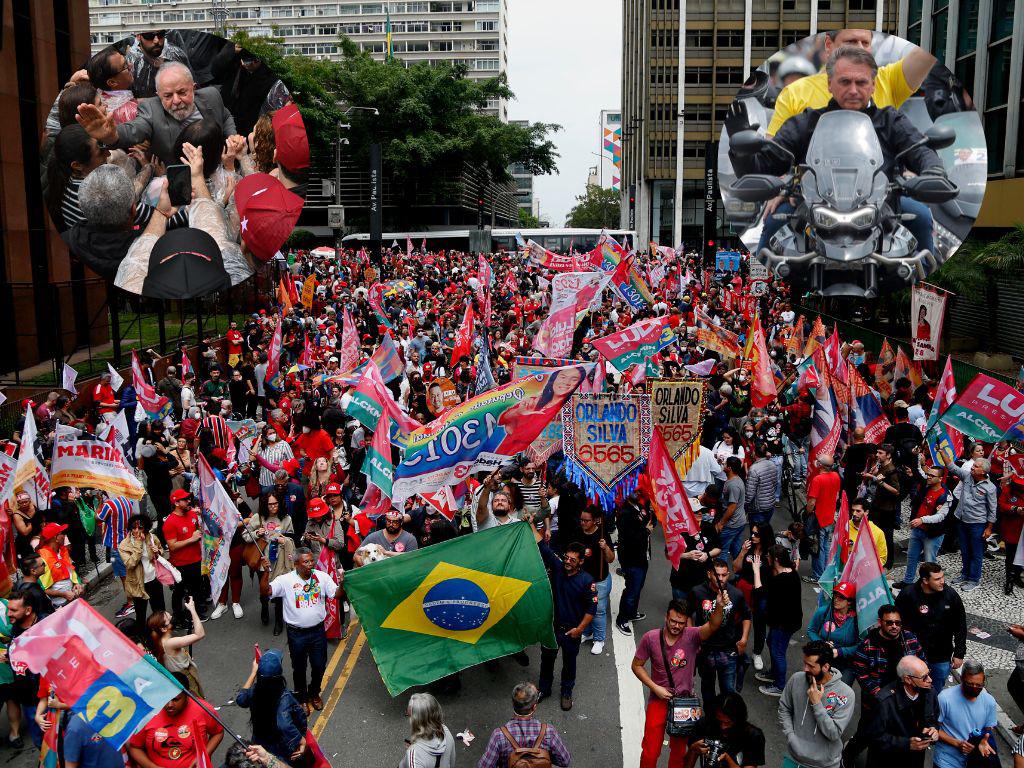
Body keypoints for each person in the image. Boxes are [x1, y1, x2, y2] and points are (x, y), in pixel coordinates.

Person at [729, 46, 945, 256]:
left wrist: (933, 170)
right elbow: (764, 164)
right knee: (773, 224)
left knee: (923, 217)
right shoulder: (806, 122)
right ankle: (762, 286)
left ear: (872, 85)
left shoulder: (891, 121)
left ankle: (925, 284)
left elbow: (920, 150)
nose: (853, 89)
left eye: (861, 82)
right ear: (830, 84)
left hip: (881, 213)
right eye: (845, 82)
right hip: (813, 214)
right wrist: (740, 147)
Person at [76, 62, 237, 165]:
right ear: (158, 95)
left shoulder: (212, 95)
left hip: (221, 170)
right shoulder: (150, 109)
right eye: (167, 96)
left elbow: (225, 115)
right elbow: (134, 130)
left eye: (182, 92)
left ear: (194, 88)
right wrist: (110, 136)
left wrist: (231, 136)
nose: (176, 101)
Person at [632, 596, 726, 768]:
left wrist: (719, 606)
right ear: (666, 618)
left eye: (681, 623)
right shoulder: (650, 638)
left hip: (685, 704)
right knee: (650, 751)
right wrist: (655, 687)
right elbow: (636, 665)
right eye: (673, 621)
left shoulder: (692, 636)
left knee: (678, 751)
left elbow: (713, 625)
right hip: (658, 700)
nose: (676, 626)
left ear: (686, 622)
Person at [846, 604, 927, 766]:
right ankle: (847, 756)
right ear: (880, 622)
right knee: (867, 733)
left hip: (905, 701)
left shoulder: (910, 639)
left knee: (898, 737)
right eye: (889, 623)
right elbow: (861, 674)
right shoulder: (868, 644)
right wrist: (880, 695)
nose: (894, 626)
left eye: (898, 623)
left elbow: (922, 661)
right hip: (876, 702)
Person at [269, 547, 339, 712]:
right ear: (296, 564)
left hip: (317, 632)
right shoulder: (285, 580)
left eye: (311, 561)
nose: (310, 565)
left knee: (319, 665)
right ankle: (301, 698)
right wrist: (266, 573)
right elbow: (267, 591)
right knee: (299, 668)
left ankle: (314, 693)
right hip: (296, 634)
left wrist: (342, 583)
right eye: (305, 562)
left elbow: (336, 594)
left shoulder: (321, 577)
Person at [534, 532, 596, 712]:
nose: (568, 562)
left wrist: (579, 630)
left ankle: (566, 692)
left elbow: (591, 610)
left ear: (581, 562)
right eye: (566, 558)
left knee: (569, 664)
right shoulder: (558, 567)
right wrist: (529, 522)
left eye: (573, 560)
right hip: (552, 628)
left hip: (572, 632)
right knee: (547, 660)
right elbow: (543, 548)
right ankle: (544, 689)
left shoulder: (587, 581)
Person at [779, 641, 855, 768]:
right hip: (793, 758)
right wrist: (790, 736)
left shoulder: (846, 694)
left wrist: (816, 703)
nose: (805, 669)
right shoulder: (796, 679)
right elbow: (784, 708)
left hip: (825, 764)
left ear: (825, 667)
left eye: (810, 666)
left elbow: (834, 733)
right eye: (805, 663)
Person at [127, 672, 224, 768]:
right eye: (166, 698)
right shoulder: (147, 712)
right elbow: (135, 747)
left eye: (176, 699)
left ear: (187, 695)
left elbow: (218, 733)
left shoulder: (203, 709)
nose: (169, 705)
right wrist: (151, 766)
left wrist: (203, 756)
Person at [687, 558, 751, 702]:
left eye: (724, 575)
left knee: (728, 691)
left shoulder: (736, 594)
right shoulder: (697, 592)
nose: (720, 578)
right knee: (707, 688)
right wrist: (692, 636)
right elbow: (687, 614)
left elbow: (747, 616)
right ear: (709, 574)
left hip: (728, 650)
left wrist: (744, 639)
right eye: (717, 575)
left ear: (728, 575)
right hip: (705, 649)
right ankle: (711, 719)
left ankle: (727, 720)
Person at [896, 562, 967, 687]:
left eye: (942, 577)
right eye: (937, 579)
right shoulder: (908, 595)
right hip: (914, 654)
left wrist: (959, 653)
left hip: (941, 655)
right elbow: (898, 624)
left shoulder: (951, 595)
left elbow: (960, 625)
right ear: (925, 580)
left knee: (936, 689)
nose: (942, 581)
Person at [863, 655, 939, 768]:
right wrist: (907, 744)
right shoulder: (884, 701)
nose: (930, 680)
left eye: (929, 673)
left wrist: (933, 730)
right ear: (908, 679)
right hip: (886, 761)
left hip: (915, 760)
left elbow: (933, 719)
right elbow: (873, 737)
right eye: (924, 677)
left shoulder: (930, 693)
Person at [236, 649, 308, 765]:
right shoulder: (284, 697)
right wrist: (301, 739)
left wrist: (253, 673)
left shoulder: (255, 690)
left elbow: (241, 700)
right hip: (281, 747)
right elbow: (284, 724)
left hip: (260, 742)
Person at [939, 451, 998, 592]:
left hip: (977, 524)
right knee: (964, 550)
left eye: (975, 466)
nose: (972, 468)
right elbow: (952, 467)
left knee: (976, 553)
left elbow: (993, 509)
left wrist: (989, 528)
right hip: (962, 520)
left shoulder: (990, 488)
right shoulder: (967, 476)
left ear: (982, 471)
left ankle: (974, 579)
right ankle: (965, 574)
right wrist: (942, 452)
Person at [478, 682, 571, 768]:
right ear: (534, 707)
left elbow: (484, 766)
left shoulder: (498, 735)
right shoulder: (549, 732)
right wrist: (544, 757)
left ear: (513, 703)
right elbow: (565, 761)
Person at [754, 545, 802, 697]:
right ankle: (774, 674)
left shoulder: (782, 580)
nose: (766, 558)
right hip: (783, 620)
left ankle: (780, 686)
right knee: (771, 642)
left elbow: (760, 591)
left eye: (768, 556)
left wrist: (756, 570)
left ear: (775, 559)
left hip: (784, 623)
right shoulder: (791, 573)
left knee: (778, 651)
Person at [934, 660, 999, 768]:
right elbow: (934, 728)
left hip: (973, 760)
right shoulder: (944, 698)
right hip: (946, 760)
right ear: (962, 678)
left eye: (979, 685)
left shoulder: (989, 702)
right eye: (970, 684)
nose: (974, 688)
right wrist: (957, 743)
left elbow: (987, 729)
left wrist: (984, 741)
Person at [899, 463, 951, 587]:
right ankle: (907, 581)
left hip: (932, 534)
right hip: (918, 529)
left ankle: (931, 585)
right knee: (912, 557)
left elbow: (940, 516)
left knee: (930, 562)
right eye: (928, 474)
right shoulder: (926, 487)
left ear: (940, 479)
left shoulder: (946, 495)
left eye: (932, 476)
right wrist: (920, 462)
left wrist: (922, 519)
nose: (928, 477)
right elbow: (919, 474)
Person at [682, 693, 766, 768]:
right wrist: (692, 750)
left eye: (728, 723)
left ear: (738, 720)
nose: (723, 727)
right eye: (719, 721)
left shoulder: (753, 736)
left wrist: (727, 759)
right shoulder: (704, 725)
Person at [162, 488, 206, 625]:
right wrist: (191, 540)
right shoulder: (169, 522)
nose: (189, 501)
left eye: (189, 498)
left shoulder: (192, 515)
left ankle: (194, 612)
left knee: (196, 588)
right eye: (185, 499)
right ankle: (179, 617)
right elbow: (172, 546)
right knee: (180, 591)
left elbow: (198, 531)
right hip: (181, 564)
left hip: (196, 559)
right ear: (176, 503)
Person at [147, 596, 206, 697]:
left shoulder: (157, 641)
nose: (171, 618)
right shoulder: (170, 643)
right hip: (185, 679)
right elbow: (199, 634)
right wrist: (192, 610)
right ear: (163, 629)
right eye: (169, 619)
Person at [575, 505, 615, 654]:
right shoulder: (578, 532)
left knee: (598, 611)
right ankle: (587, 632)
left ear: (596, 521)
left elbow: (611, 559)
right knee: (585, 608)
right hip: (582, 580)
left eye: (586, 520)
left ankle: (599, 639)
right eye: (581, 520)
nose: (583, 523)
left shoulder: (603, 536)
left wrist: (605, 548)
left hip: (599, 581)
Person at [118, 513, 166, 630]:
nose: (137, 530)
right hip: (137, 584)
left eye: (140, 527)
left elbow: (161, 549)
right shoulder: (124, 545)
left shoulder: (152, 537)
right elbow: (130, 564)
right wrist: (139, 544)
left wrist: (158, 551)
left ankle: (161, 633)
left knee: (159, 610)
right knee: (141, 614)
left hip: (154, 580)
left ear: (145, 527)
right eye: (134, 528)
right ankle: (142, 639)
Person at [615, 492, 655, 635]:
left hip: (642, 556)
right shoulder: (624, 513)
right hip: (631, 558)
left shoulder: (640, 506)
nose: (637, 493)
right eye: (634, 490)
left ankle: (631, 613)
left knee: (638, 588)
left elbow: (651, 522)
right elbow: (630, 538)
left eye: (639, 490)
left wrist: (653, 512)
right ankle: (622, 619)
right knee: (631, 590)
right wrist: (646, 531)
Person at [806, 581, 859, 685]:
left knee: (839, 696)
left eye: (841, 597)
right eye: (835, 595)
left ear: (849, 601)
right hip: (824, 659)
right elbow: (811, 630)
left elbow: (861, 645)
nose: (836, 599)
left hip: (846, 664)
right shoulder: (824, 611)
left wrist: (839, 652)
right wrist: (822, 644)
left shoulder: (857, 620)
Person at [806, 454, 841, 580]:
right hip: (829, 517)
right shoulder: (836, 476)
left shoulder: (818, 480)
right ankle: (826, 571)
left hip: (818, 518)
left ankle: (817, 575)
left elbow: (811, 502)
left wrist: (807, 513)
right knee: (825, 545)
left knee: (817, 547)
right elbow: (837, 496)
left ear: (820, 465)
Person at [398, 693, 456, 768]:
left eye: (409, 716)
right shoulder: (445, 731)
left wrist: (414, 748)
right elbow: (452, 761)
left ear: (416, 721)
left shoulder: (414, 755)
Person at [36, 522, 83, 608]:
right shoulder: (43, 558)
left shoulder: (63, 551)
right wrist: (63, 594)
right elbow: (42, 589)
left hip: (73, 599)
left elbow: (71, 572)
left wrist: (77, 584)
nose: (65, 536)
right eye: (63, 533)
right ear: (56, 538)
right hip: (58, 606)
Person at [718, 456, 748, 563]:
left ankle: (720, 575)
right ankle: (740, 573)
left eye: (725, 464)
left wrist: (721, 523)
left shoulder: (733, 485)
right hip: (739, 522)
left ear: (729, 468)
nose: (724, 466)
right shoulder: (735, 479)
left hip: (732, 524)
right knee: (736, 547)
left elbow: (732, 507)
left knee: (722, 550)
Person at [745, 441, 779, 525]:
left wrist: (744, 507)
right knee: (764, 533)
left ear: (754, 452)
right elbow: (775, 485)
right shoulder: (772, 464)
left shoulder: (754, 469)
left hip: (758, 509)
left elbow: (749, 494)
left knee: (756, 535)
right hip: (770, 505)